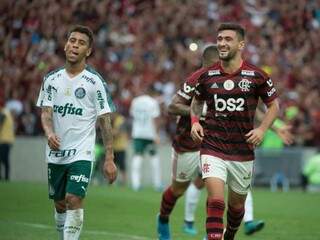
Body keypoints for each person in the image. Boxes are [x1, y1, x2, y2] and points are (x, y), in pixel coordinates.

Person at [190, 23, 280, 240]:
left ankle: (229, 235)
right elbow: (196, 101)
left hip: (242, 151)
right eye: (220, 38)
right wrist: (195, 121)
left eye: (228, 39)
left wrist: (262, 129)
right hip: (213, 146)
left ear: (241, 44)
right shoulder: (207, 75)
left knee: (236, 207)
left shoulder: (257, 76)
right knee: (216, 200)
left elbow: (274, 106)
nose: (222, 43)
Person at [36, 25, 117, 240]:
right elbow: (45, 113)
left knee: (74, 198)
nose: (75, 45)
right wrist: (49, 132)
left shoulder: (95, 82)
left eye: (81, 43)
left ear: (88, 51)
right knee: (60, 204)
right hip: (55, 152)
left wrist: (109, 158)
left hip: (82, 153)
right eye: (72, 41)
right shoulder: (51, 80)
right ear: (65, 45)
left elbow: (105, 121)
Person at [156, 45, 218, 240]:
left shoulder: (227, 81)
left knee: (215, 187)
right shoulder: (196, 79)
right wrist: (201, 113)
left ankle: (212, 234)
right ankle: (163, 219)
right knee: (178, 189)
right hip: (188, 144)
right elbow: (172, 107)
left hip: (213, 144)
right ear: (212, 62)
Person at [130, 86, 162, 191]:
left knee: (137, 156)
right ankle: (157, 184)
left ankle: (136, 184)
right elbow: (155, 119)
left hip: (137, 133)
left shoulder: (135, 101)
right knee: (154, 157)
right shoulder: (153, 102)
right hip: (150, 134)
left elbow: (132, 115)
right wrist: (156, 135)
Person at [112, 112, 129, 185]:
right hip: (113, 147)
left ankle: (124, 182)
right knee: (113, 166)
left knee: (122, 166)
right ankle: (112, 182)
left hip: (120, 146)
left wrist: (107, 132)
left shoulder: (120, 120)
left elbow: (117, 133)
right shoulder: (112, 120)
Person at [0, 102, 15, 181]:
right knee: (5, 160)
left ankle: (5, 177)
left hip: (3, 140)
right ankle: (6, 177)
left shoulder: (3, 114)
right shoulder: (8, 114)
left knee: (3, 159)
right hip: (8, 140)